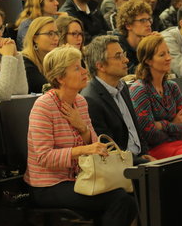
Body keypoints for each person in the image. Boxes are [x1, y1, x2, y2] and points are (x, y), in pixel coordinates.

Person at [24, 45, 138, 226]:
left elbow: (94, 145)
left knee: (132, 193)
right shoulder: (43, 106)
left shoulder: (80, 101)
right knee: (119, 200)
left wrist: (83, 128)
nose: (85, 71)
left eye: (82, 65)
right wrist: (82, 150)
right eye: (77, 68)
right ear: (60, 77)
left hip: (80, 178)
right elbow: (44, 158)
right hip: (49, 185)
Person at [81, 35, 154, 165]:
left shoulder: (123, 87)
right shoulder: (91, 100)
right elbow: (109, 149)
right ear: (101, 66)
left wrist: (145, 153)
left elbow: (135, 130)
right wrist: (141, 162)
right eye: (118, 56)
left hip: (139, 159)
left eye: (124, 54)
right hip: (122, 168)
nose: (126, 60)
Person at [22, 16, 59, 93]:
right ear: (35, 38)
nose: (56, 38)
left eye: (56, 33)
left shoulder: (54, 61)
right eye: (50, 34)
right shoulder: (25, 64)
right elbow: (47, 90)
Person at [116, 0, 153, 74]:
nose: (148, 24)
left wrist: (155, 46)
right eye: (142, 20)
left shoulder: (148, 42)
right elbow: (130, 72)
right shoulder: (118, 46)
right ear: (128, 25)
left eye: (149, 19)